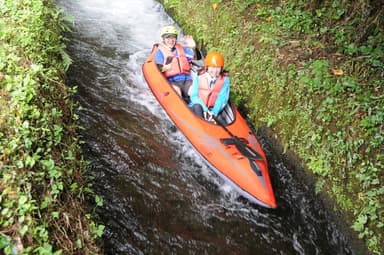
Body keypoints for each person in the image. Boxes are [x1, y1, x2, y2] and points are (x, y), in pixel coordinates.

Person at [154, 25, 196, 98]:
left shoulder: (183, 49)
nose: (171, 40)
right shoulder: (160, 52)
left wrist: (194, 48)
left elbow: (196, 59)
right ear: (163, 39)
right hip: (172, 82)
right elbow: (157, 69)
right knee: (177, 92)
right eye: (168, 37)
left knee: (194, 92)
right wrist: (164, 68)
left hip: (186, 80)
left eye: (173, 37)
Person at [189, 52, 230, 123]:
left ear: (221, 68)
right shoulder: (198, 75)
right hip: (198, 106)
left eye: (218, 67)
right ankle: (202, 125)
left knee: (220, 120)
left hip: (213, 109)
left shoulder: (225, 79)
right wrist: (205, 110)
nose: (215, 71)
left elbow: (222, 99)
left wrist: (214, 112)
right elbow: (194, 96)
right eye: (212, 67)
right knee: (197, 107)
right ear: (207, 67)